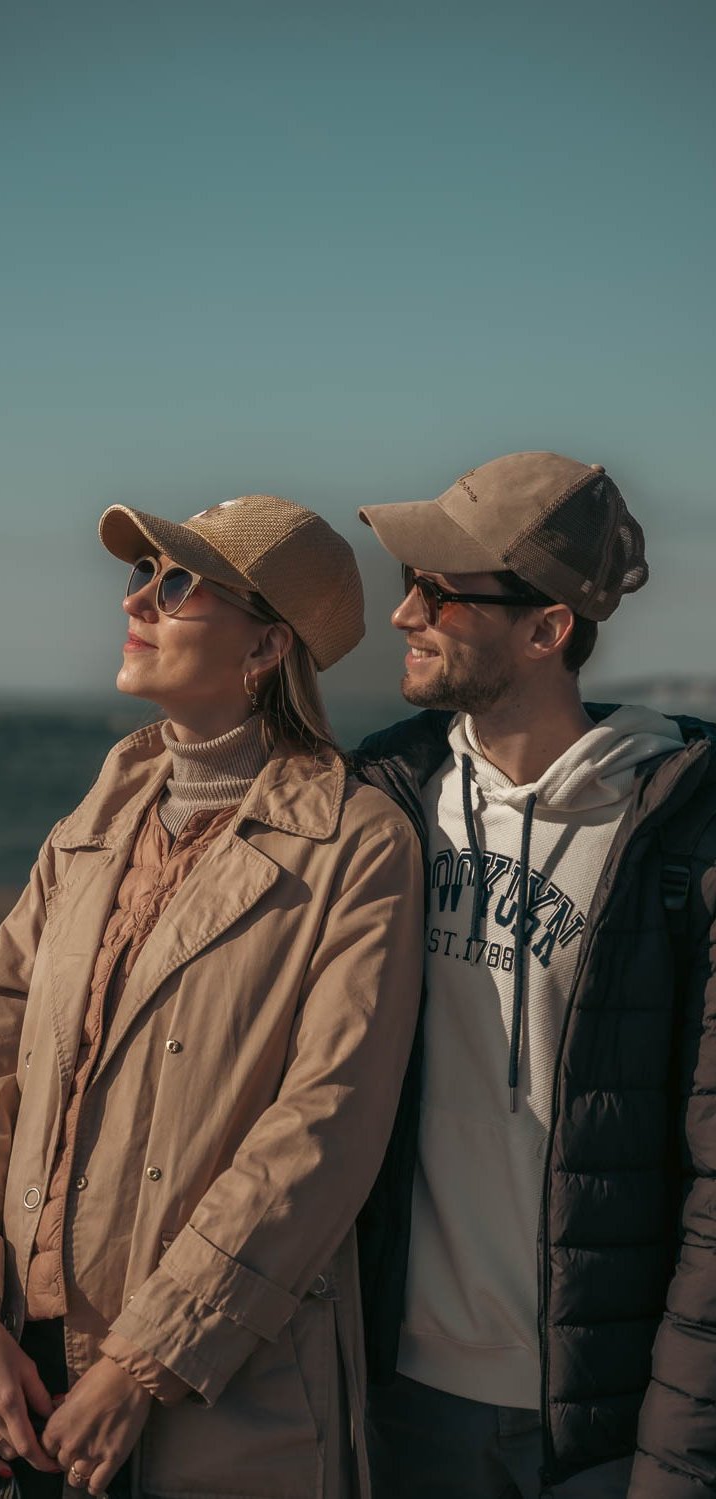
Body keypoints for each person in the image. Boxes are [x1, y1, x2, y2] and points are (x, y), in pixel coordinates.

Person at [0, 493, 424, 1499]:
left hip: (214, 1395)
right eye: (140, 574)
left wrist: (145, 1361)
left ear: (267, 646)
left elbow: (325, 1127)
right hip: (13, 1377)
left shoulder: (358, 844)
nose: (137, 600)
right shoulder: (97, 813)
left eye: (176, 584)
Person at [351, 452, 716, 1498]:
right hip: (401, 1393)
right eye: (407, 585)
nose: (403, 615)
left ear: (548, 627)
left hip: (600, 1419)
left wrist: (676, 1454)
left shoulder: (681, 837)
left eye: (440, 593)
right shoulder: (386, 800)